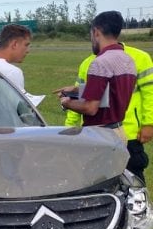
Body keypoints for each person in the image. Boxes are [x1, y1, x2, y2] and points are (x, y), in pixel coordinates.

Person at [64, 41, 153, 180]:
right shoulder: (88, 63)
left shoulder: (140, 57)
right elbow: (79, 99)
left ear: (97, 33)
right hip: (95, 134)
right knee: (98, 179)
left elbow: (150, 93)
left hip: (129, 133)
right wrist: (70, 126)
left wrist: (149, 123)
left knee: (133, 179)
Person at [56, 11, 137, 144]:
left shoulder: (100, 62)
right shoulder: (128, 60)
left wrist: (66, 102)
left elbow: (90, 108)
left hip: (100, 135)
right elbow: (109, 94)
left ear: (96, 32)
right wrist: (78, 90)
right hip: (119, 132)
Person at [0, 24, 33, 91]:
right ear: (15, 44)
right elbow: (16, 101)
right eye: (26, 45)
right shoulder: (13, 72)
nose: (28, 50)